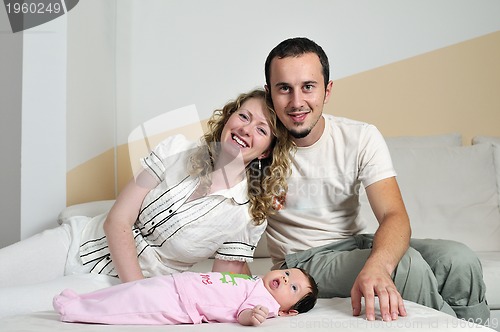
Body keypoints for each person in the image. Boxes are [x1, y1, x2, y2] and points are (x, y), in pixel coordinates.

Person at [0, 89, 294, 317]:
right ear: (229, 118)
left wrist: (264, 299)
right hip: (76, 241)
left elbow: (222, 286)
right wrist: (139, 292)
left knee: (7, 305)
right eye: (244, 117)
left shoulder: (247, 216)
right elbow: (117, 220)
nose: (246, 129)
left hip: (111, 286)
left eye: (261, 129)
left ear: (266, 152)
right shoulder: (176, 149)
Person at [263, 37, 489, 323]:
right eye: (285, 89)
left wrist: (378, 264)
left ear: (327, 90)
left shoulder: (360, 136)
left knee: (460, 259)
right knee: (406, 266)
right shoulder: (257, 143)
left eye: (308, 87)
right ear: (269, 93)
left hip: (354, 242)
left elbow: (394, 215)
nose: (297, 102)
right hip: (302, 260)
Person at [53, 268, 318, 326]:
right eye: (286, 273)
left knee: (133, 306)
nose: (285, 279)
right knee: (130, 290)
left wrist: (250, 316)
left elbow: (246, 311)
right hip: (178, 283)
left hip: (181, 304)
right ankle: (84, 299)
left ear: (287, 311)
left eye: (292, 288)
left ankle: (77, 311)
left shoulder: (268, 303)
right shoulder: (254, 280)